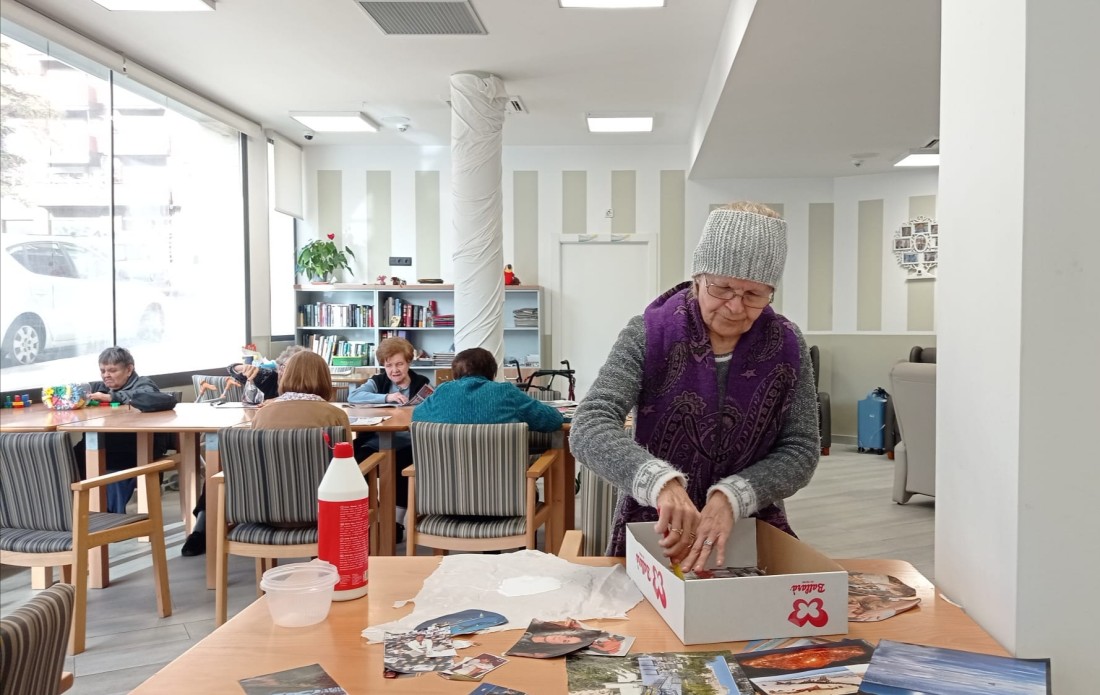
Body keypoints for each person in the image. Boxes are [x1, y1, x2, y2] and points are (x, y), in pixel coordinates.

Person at [570, 202, 820, 573]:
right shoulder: (649, 334)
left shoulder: (786, 344)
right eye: (723, 288)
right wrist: (660, 482)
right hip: (656, 527)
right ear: (698, 278)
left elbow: (801, 449)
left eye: (754, 295)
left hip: (749, 527)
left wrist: (734, 495)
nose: (735, 307)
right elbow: (590, 424)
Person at [180, 350, 349, 556]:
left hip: (263, 511)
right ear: (325, 379)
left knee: (226, 471)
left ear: (285, 375)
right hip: (323, 510)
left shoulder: (263, 415)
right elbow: (346, 466)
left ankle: (201, 531)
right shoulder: (335, 415)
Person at [73, 346, 166, 514]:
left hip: (136, 447)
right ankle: (73, 514)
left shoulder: (144, 384)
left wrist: (112, 397)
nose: (106, 375)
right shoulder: (99, 387)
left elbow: (149, 397)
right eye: (102, 371)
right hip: (106, 444)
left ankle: (108, 516)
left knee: (106, 464)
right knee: (68, 458)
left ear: (129, 369)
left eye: (112, 370)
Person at [412, 347, 563, 431]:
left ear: (455, 374)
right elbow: (553, 421)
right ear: (493, 372)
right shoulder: (506, 393)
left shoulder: (442, 392)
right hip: (502, 475)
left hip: (446, 475)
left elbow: (416, 416)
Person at [347, 337, 431, 405]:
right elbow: (353, 396)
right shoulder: (378, 381)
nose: (395, 370)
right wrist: (387, 397)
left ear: (408, 363)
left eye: (399, 364)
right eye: (389, 365)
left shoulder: (422, 382)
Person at [225, 344, 307, 400]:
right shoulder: (269, 376)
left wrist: (276, 401)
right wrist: (245, 367)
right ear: (278, 367)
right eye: (284, 367)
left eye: (297, 369)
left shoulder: (308, 385)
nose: (291, 373)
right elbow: (230, 368)